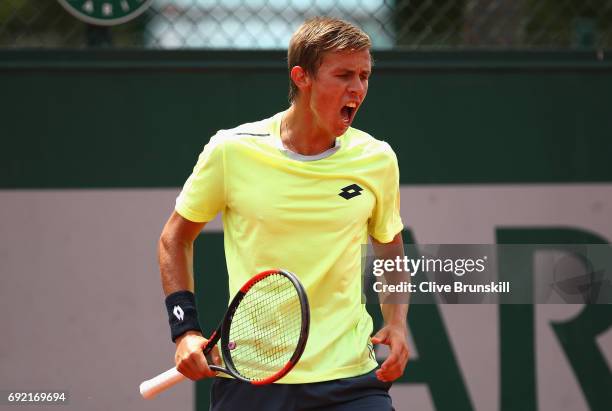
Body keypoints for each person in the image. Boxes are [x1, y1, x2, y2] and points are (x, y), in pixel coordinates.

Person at [158, 16, 409, 410]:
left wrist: (396, 322)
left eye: (364, 76)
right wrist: (185, 331)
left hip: (349, 377)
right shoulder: (232, 150)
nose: (357, 89)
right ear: (302, 76)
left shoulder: (377, 159)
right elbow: (175, 237)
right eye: (343, 75)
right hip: (250, 378)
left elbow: (390, 249)